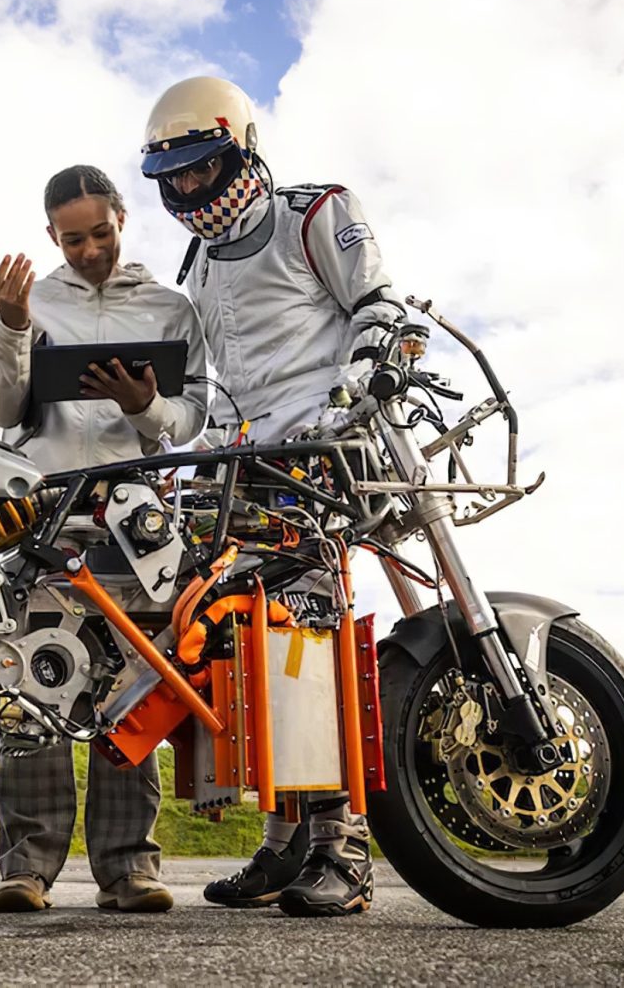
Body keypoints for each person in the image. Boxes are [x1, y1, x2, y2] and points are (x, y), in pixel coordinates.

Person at [139, 76, 411, 917]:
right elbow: (223, 386)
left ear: (241, 148)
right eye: (173, 176)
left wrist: (362, 388)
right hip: (244, 472)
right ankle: (283, 843)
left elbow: (381, 306)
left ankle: (344, 849)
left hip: (322, 458)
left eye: (201, 168)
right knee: (238, 658)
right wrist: (200, 463)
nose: (189, 189)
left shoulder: (314, 212)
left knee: (311, 651)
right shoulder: (197, 268)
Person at [0, 165, 209, 914]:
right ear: (52, 234)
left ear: (122, 217)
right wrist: (13, 327)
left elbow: (193, 416)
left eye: (100, 234)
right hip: (46, 520)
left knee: (131, 690)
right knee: (34, 688)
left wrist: (148, 407)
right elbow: (2, 406)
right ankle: (27, 868)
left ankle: (129, 868)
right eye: (72, 239)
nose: (88, 250)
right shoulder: (33, 301)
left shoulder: (171, 308)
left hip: (135, 523)